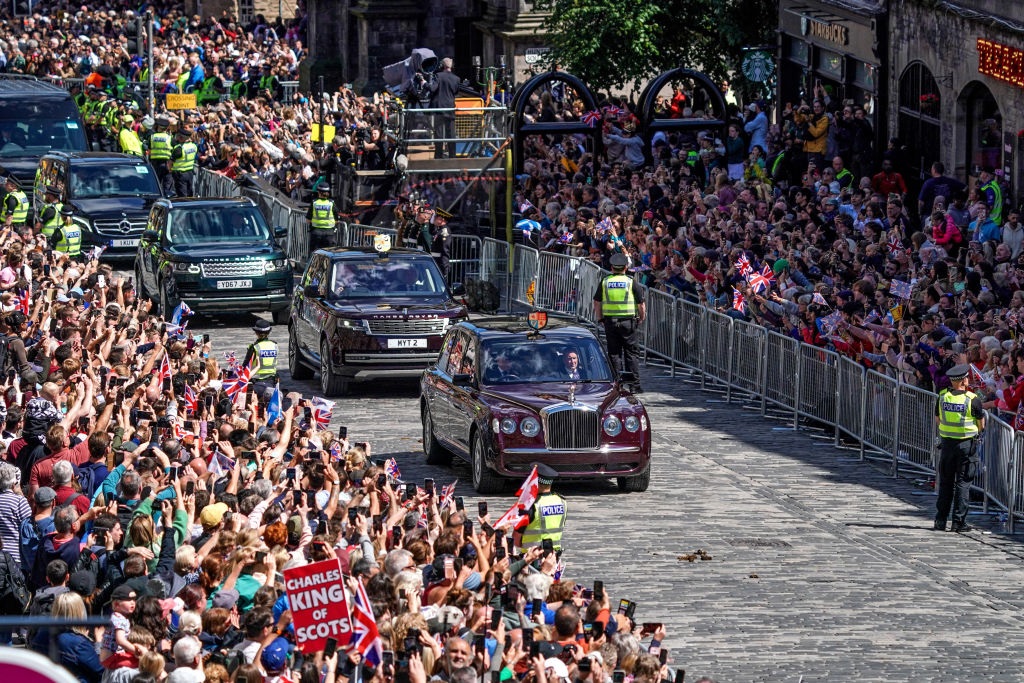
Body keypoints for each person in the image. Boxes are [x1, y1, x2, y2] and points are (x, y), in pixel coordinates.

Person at [934, 364, 985, 532]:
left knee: (946, 483)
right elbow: (980, 423)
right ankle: (958, 522)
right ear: (964, 380)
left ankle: (940, 520)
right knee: (963, 483)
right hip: (966, 446)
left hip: (947, 444)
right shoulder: (972, 398)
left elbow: (938, 418)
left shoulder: (942, 396)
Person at [593, 253, 646, 392]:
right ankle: (634, 385)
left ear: (611, 267)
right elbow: (641, 304)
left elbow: (597, 301)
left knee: (614, 353)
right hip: (628, 322)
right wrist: (642, 317)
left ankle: (617, 384)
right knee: (631, 353)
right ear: (625, 267)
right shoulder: (630, 281)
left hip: (610, 322)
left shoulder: (605, 281)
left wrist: (600, 318)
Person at [515, 463, 566, 553]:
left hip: (531, 559)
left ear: (534, 481)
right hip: (553, 557)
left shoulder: (530, 505)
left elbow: (516, 540)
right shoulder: (561, 502)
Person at [429, 57, 460, 159]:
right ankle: (452, 156)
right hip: (450, 108)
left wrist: (424, 83)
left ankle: (438, 156)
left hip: (439, 108)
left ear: (442, 66)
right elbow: (455, 92)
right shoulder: (456, 79)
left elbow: (432, 89)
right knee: (451, 134)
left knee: (439, 133)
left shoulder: (438, 76)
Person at [242, 319, 278, 401]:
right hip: (271, 382)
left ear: (256, 332)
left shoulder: (255, 347)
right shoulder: (275, 345)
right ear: (269, 332)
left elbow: (245, 366)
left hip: (256, 383)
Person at [148, 117, 174, 196]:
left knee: (156, 184)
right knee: (167, 185)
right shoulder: (170, 138)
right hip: (167, 163)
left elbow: (149, 149)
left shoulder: (152, 137)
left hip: (155, 163)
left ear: (158, 127)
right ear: (166, 128)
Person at [169, 126, 198, 198]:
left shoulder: (179, 149)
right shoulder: (193, 146)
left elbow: (170, 162)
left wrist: (170, 170)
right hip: (190, 172)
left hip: (180, 174)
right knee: (189, 193)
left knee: (182, 195)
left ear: (181, 137)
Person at [307, 185, 337, 252]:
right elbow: (336, 219)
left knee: (314, 254)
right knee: (329, 254)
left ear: (319, 192)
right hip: (329, 234)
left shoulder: (314, 202)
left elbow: (308, 219)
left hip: (316, 233)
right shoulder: (331, 203)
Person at [431, 207, 453, 281]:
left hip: (440, 264)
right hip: (435, 262)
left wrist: (444, 267)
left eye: (436, 217)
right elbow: (431, 231)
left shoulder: (444, 232)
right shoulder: (439, 230)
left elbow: (444, 250)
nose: (434, 218)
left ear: (442, 219)